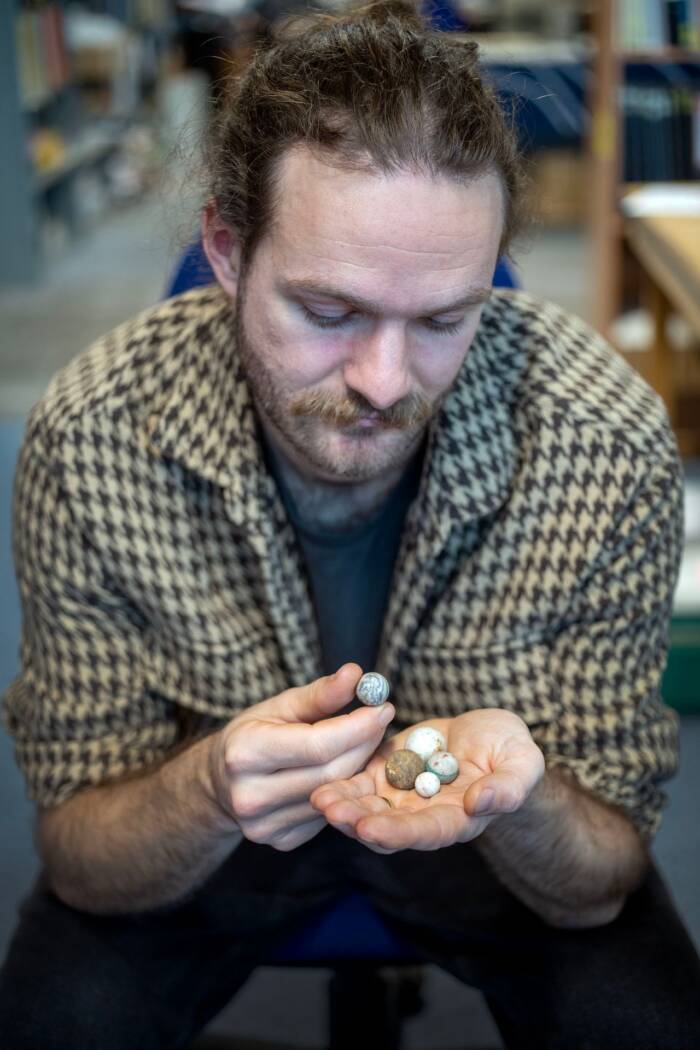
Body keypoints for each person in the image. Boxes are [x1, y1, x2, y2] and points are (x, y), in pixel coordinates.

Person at [1, 2, 699, 1047]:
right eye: (328, 312)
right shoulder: (93, 438)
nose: (382, 382)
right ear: (229, 251)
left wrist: (525, 793)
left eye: (442, 321)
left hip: (487, 853)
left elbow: (597, 883)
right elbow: (84, 866)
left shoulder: (600, 442)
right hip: (212, 847)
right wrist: (204, 789)